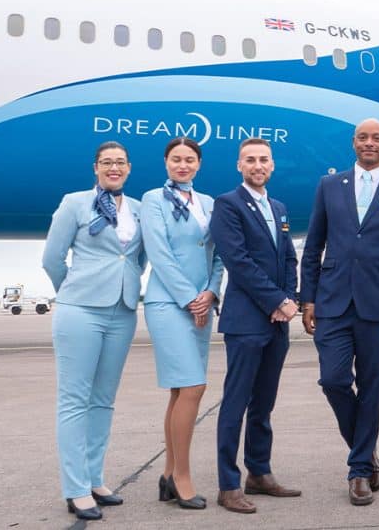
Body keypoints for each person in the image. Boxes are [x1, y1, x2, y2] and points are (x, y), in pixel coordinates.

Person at [300, 118, 379, 506]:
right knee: (333, 380)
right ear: (354, 143)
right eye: (363, 137)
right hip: (333, 302)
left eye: (377, 138)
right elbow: (313, 245)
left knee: (371, 387)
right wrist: (308, 298)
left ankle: (358, 472)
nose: (370, 143)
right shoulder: (329, 185)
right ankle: (365, 453)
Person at [41, 141, 145, 521]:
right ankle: (75, 488)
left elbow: (137, 258)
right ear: (95, 168)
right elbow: (52, 259)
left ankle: (95, 478)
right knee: (74, 400)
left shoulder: (138, 209)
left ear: (129, 168)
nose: (113, 168)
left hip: (123, 310)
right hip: (80, 309)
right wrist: (74, 291)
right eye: (106, 162)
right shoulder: (75, 203)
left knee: (103, 400)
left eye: (120, 163)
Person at [209, 138, 301, 514]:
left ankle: (259, 473)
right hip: (246, 321)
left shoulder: (278, 207)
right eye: (250, 160)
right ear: (239, 165)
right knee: (235, 403)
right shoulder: (228, 204)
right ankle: (228, 484)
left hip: (277, 323)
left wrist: (290, 299)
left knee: (264, 404)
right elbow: (238, 261)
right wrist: (277, 300)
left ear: (272, 165)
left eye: (264, 159)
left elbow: (289, 258)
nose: (257, 165)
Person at [140, 137, 224, 510]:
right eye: (176, 159)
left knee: (180, 391)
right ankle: (182, 477)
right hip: (169, 302)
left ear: (199, 164)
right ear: (166, 162)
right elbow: (158, 253)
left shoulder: (209, 203)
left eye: (189, 159)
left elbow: (219, 254)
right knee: (193, 386)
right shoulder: (153, 200)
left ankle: (168, 474)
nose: (183, 165)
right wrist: (190, 298)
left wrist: (211, 293)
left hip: (202, 304)